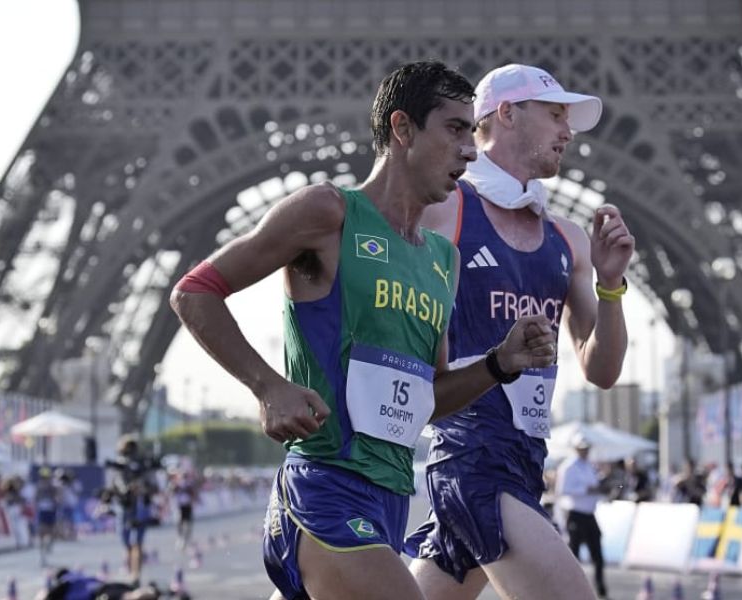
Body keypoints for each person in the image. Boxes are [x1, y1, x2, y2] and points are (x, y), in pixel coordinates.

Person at [170, 60, 558, 600]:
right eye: (454, 129)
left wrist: (499, 362)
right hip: (324, 486)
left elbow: (427, 398)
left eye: (473, 132)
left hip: (391, 501)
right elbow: (194, 290)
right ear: (402, 129)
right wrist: (267, 386)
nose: (470, 151)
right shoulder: (329, 212)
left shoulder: (444, 260)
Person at [402, 63, 632, 600]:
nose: (567, 131)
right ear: (505, 114)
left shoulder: (568, 239)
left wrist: (612, 284)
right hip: (472, 459)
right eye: (555, 114)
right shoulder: (445, 211)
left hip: (526, 460)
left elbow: (602, 370)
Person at [555, 436, 608, 599]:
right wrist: (587, 489)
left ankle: (601, 590)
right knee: (573, 556)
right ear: (576, 449)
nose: (585, 451)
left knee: (598, 555)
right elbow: (562, 490)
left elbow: (594, 487)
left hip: (589, 514)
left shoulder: (589, 466)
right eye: (582, 448)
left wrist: (599, 489)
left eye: (587, 448)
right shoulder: (569, 467)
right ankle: (568, 591)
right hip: (576, 514)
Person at [103, 435, 160, 586]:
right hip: (124, 507)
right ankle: (130, 569)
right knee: (126, 541)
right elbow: (112, 486)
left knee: (138, 543)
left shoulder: (144, 467)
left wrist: (142, 487)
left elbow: (155, 486)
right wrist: (121, 492)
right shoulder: (118, 467)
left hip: (141, 507)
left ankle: (136, 574)